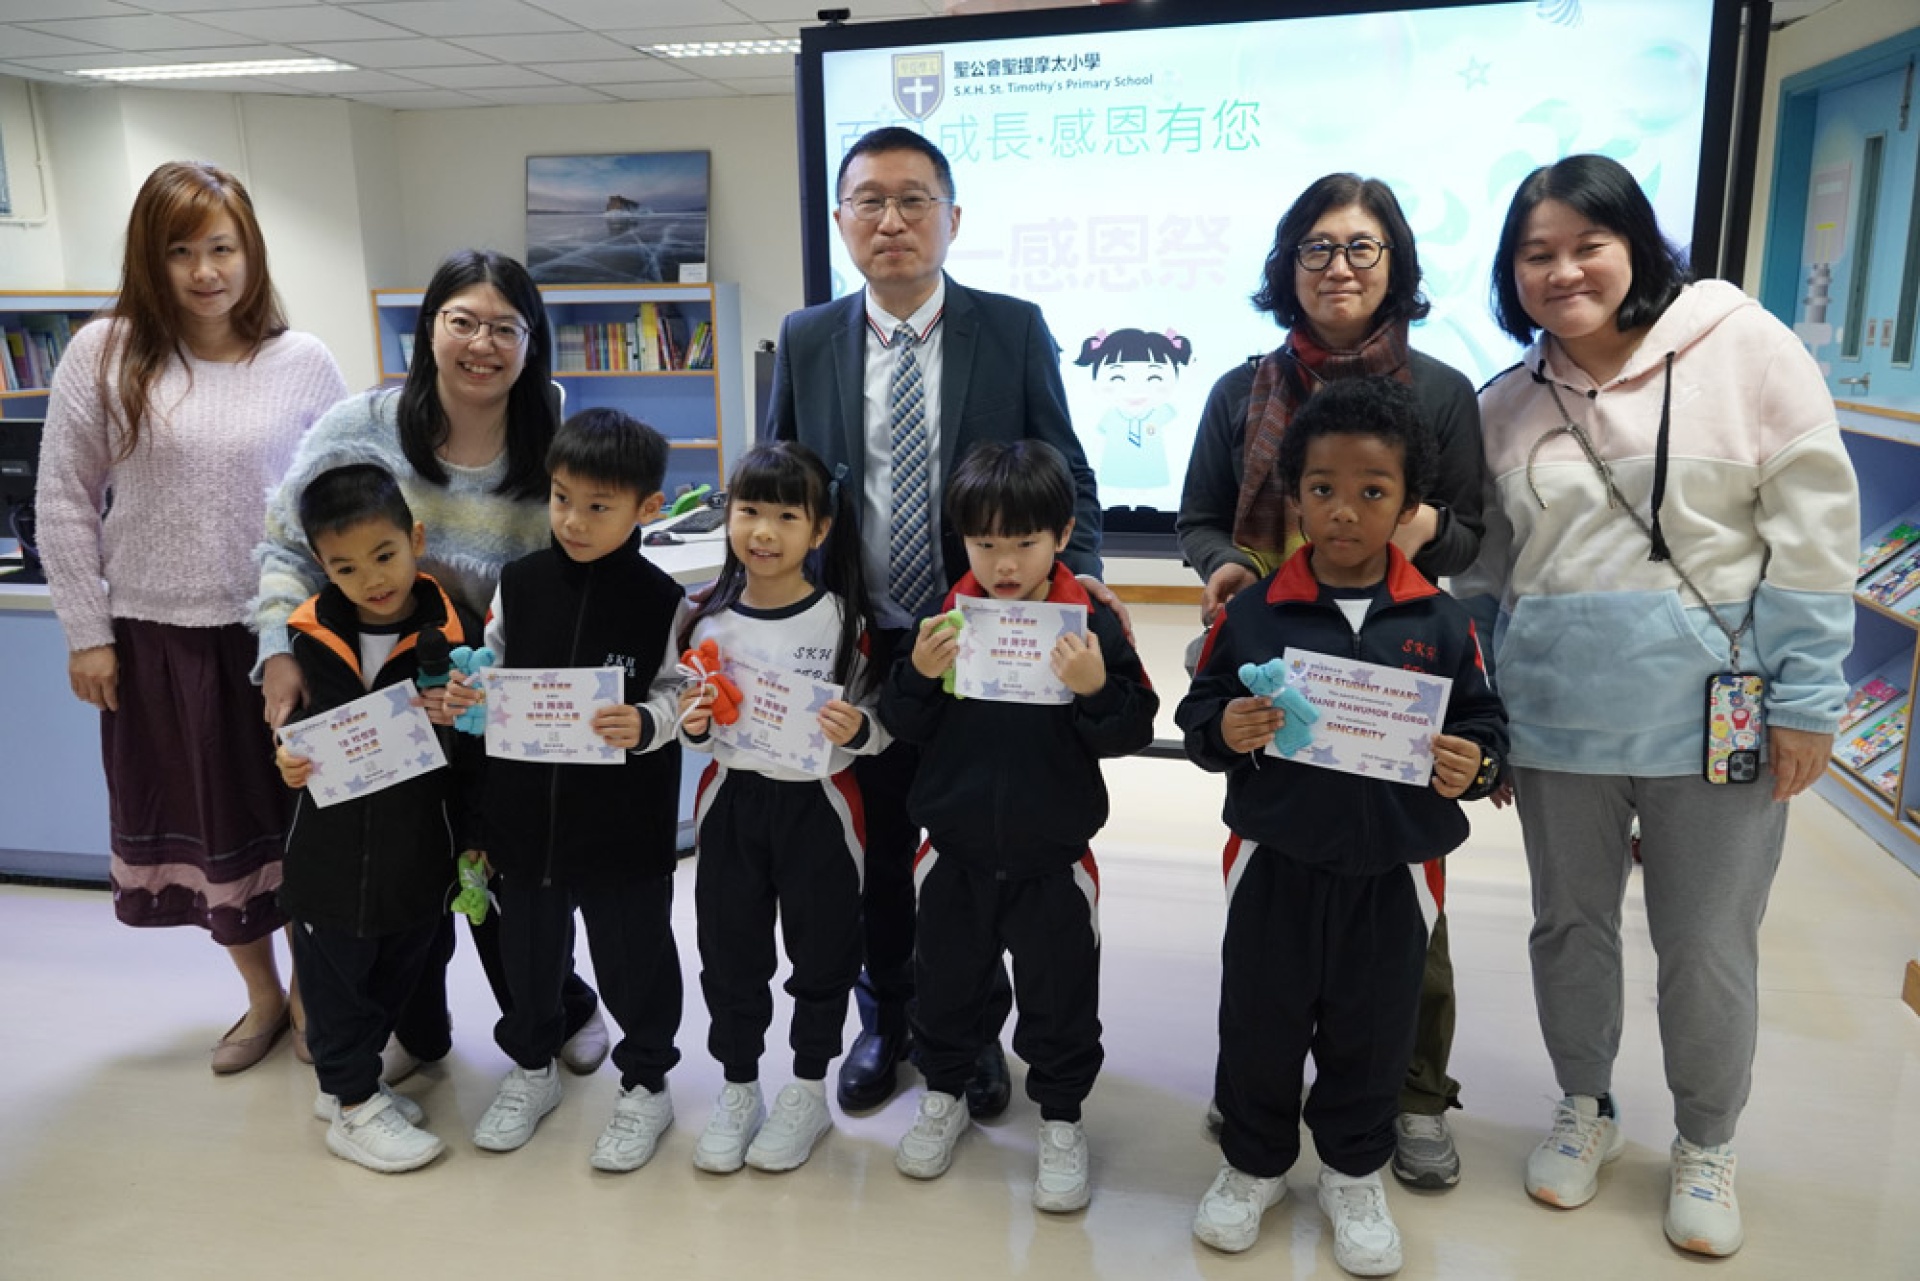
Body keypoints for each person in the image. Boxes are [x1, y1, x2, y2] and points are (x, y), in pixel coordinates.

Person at [1465, 154, 1858, 1258]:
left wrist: (1808, 698)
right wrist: (1484, 718)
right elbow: (1487, 581)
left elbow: (1814, 535)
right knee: (1568, 928)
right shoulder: (1503, 405)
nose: (1563, 271)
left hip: (1716, 726)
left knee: (1707, 944)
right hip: (1557, 725)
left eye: (1586, 244)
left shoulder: (1747, 349)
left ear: (1635, 245)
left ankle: (1706, 1140)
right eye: (1535, 254)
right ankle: (1584, 1105)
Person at [768, 125, 1118, 1118]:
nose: (892, 220)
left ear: (952, 218)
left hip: (991, 640)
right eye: (869, 201)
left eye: (913, 199)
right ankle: (890, 1017)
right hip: (866, 639)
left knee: (978, 843)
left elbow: (1068, 471)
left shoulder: (1011, 328)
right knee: (878, 842)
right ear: (841, 219)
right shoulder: (807, 336)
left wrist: (1082, 585)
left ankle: (975, 1033)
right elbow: (782, 478)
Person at [1175, 173, 1486, 1187]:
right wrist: (1233, 572)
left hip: (1395, 646)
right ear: (1288, 264)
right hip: (1278, 633)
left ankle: (1410, 1094)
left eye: (1361, 246)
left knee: (1398, 909)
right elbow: (1200, 516)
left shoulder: (1440, 389)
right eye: (1316, 247)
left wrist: (1421, 532)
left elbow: (1476, 526)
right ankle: (1256, 1089)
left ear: (1396, 262)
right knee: (1280, 893)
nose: (1338, 266)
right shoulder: (1241, 390)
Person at [1176, 376, 1506, 1275]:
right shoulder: (1253, 613)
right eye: (1322, 487)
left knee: (1374, 1025)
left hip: (1394, 869)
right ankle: (1253, 1162)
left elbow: (1485, 725)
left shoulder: (1442, 621)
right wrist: (1224, 728)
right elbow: (1199, 715)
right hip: (1275, 860)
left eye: (1373, 490)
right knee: (1261, 1017)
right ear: (1294, 494)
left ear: (1408, 503)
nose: (1345, 510)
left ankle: (1354, 1172)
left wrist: (1475, 764)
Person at [253, 249, 606, 1078]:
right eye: (463, 322)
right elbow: (287, 545)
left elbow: (590, 558)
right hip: (380, 692)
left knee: (510, 875)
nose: (482, 344)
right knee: (403, 874)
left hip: (503, 701)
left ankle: (557, 1008)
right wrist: (276, 653)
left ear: (531, 342)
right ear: (429, 329)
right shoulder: (361, 427)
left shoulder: (554, 439)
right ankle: (419, 1028)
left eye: (505, 328)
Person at [35, 160, 347, 1074]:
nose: (206, 271)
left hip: (284, 638)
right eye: (180, 251)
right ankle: (263, 995)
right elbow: (62, 497)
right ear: (150, 258)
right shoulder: (104, 352)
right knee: (215, 833)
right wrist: (87, 632)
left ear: (252, 252)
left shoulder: (303, 361)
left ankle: (316, 993)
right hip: (158, 640)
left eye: (223, 247)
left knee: (307, 822)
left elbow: (343, 498)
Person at [878, 439, 1158, 1214]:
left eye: (1025, 542)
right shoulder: (943, 620)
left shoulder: (1092, 625)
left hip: (1053, 857)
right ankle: (944, 1094)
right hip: (954, 854)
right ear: (962, 540)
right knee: (944, 988)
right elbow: (901, 721)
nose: (1004, 563)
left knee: (1060, 998)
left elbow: (1133, 726)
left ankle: (1061, 1118)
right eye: (984, 543)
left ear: (1063, 534)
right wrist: (918, 674)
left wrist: (1096, 687)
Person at [445, 407, 687, 1172]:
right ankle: (532, 1066)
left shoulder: (663, 599)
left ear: (647, 507)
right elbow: (488, 668)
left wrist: (646, 721)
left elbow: (683, 693)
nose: (573, 521)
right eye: (560, 498)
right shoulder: (519, 583)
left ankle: (646, 1081)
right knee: (527, 956)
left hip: (623, 825)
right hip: (526, 818)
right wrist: (470, 694)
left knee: (634, 959)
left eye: (597, 506)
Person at [675, 442, 887, 1176]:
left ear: (819, 530)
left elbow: (880, 723)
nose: (763, 531)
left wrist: (858, 731)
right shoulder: (704, 620)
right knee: (729, 952)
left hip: (820, 806)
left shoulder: (842, 621)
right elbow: (690, 722)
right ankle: (740, 1087)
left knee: (823, 951)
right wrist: (693, 724)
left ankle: (806, 1088)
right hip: (731, 804)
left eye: (786, 517)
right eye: (749, 511)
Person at [271, 464, 480, 1173]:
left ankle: (353, 1084)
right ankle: (352, 1104)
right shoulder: (307, 632)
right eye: (345, 567)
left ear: (415, 540)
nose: (371, 579)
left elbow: (477, 743)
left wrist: (463, 718)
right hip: (327, 854)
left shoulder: (455, 631)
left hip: (415, 849)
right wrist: (287, 757)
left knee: (397, 968)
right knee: (335, 982)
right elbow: (294, 731)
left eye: (384, 555)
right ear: (321, 566)